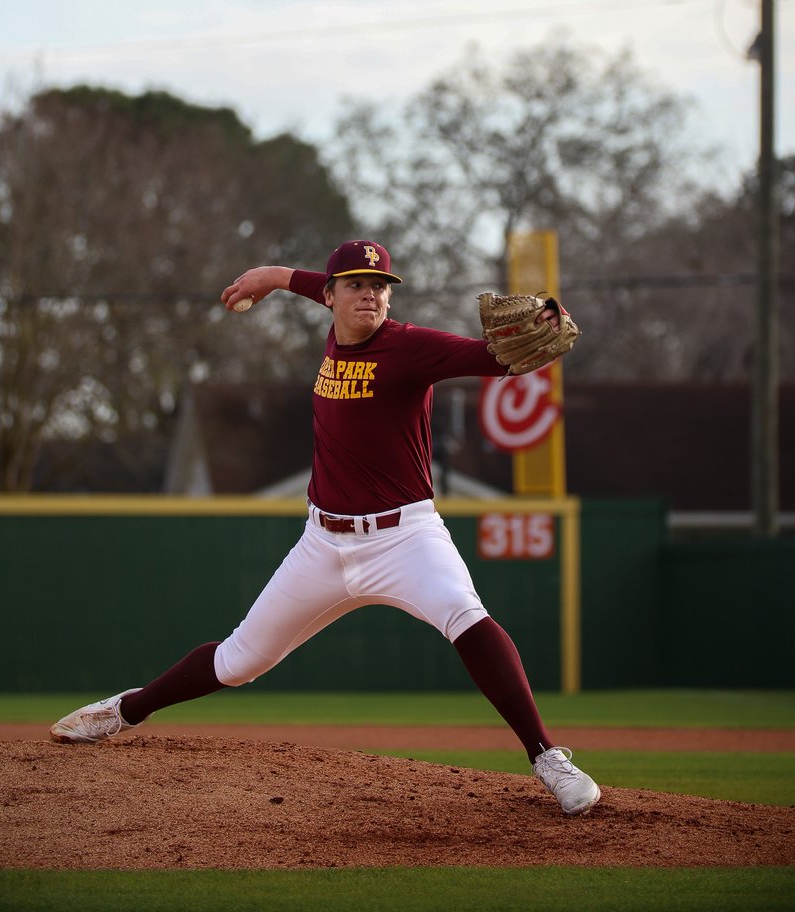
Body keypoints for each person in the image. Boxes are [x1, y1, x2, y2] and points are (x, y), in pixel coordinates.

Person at [50, 240, 600, 816]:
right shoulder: (336, 321)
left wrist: (547, 319)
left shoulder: (411, 347)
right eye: (358, 284)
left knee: (467, 618)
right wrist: (270, 275)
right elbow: (305, 279)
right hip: (323, 542)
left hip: (404, 537)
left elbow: (494, 358)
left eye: (381, 285)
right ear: (332, 295)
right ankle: (125, 710)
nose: (371, 293)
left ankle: (547, 757)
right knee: (239, 661)